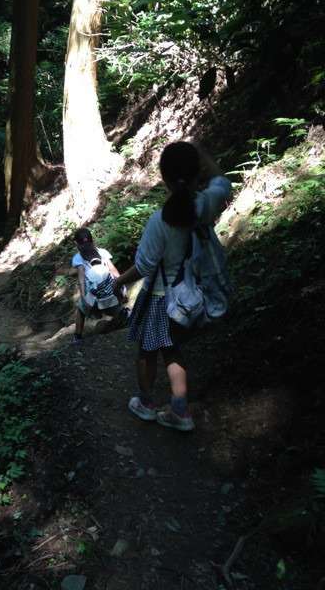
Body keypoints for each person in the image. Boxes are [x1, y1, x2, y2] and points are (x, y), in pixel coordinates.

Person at [113, 141, 231, 430]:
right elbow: (222, 183)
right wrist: (204, 156)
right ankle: (180, 410)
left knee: (146, 351)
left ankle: (145, 402)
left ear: (164, 179)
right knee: (172, 349)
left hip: (159, 299)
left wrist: (118, 281)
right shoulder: (204, 204)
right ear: (196, 175)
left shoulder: (160, 221)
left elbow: (144, 266)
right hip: (190, 297)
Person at [71, 227, 128, 344]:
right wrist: (123, 289)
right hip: (110, 297)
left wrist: (84, 298)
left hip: (94, 301)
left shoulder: (78, 258)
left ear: (76, 243)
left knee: (80, 310)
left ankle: (77, 337)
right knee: (118, 306)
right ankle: (123, 315)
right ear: (92, 241)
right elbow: (114, 271)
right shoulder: (103, 252)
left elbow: (81, 280)